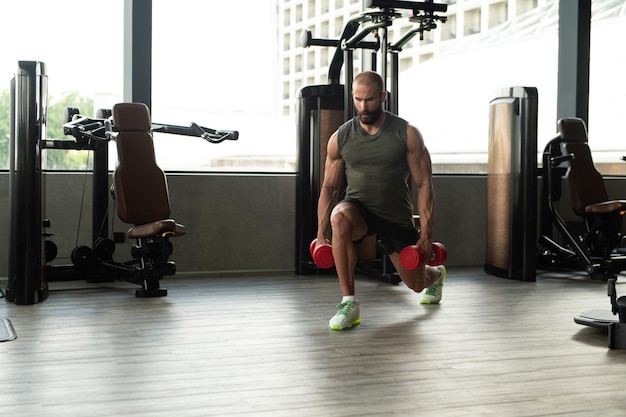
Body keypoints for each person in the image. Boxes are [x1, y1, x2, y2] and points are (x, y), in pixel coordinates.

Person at [315, 71, 446, 330]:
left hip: (394, 216)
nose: (364, 107)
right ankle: (348, 302)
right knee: (339, 217)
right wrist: (321, 234)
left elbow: (424, 184)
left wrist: (426, 236)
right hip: (359, 210)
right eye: (358, 100)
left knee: (416, 284)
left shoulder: (406, 133)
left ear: (383, 97)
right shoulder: (341, 137)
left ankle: (437, 274)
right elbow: (329, 188)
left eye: (370, 100)